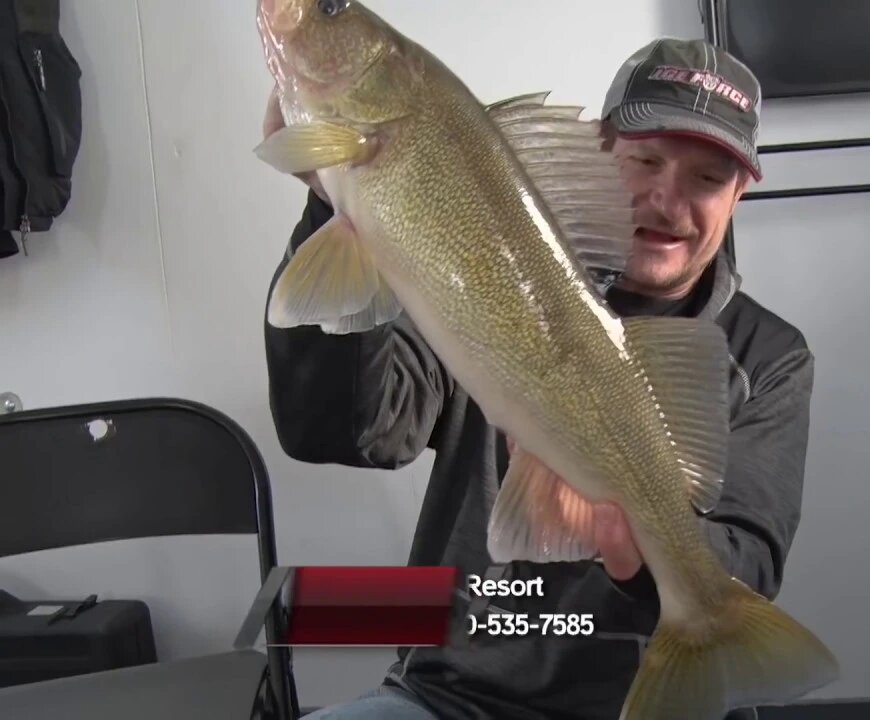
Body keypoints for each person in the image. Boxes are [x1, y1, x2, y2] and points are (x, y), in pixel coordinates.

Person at [263, 37, 817, 720]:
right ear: (600, 147)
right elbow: (350, 431)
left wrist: (629, 539)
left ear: (741, 193)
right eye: (645, 159)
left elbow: (749, 562)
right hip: (451, 697)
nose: (668, 200)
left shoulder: (768, 355)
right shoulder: (485, 269)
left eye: (707, 179)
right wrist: (333, 201)